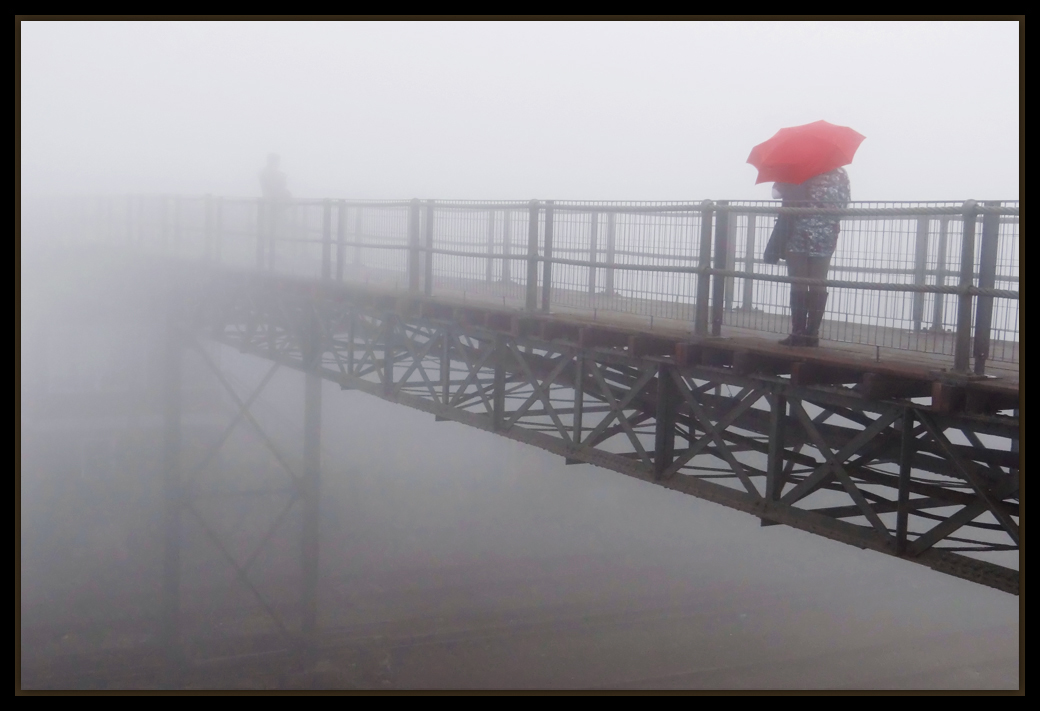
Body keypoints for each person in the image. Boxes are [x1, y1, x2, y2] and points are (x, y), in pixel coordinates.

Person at [776, 167, 851, 347]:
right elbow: (844, 205)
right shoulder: (840, 174)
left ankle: (797, 332)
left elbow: (776, 193)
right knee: (818, 281)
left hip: (797, 233)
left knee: (798, 281)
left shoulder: (797, 169)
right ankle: (812, 334)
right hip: (825, 236)